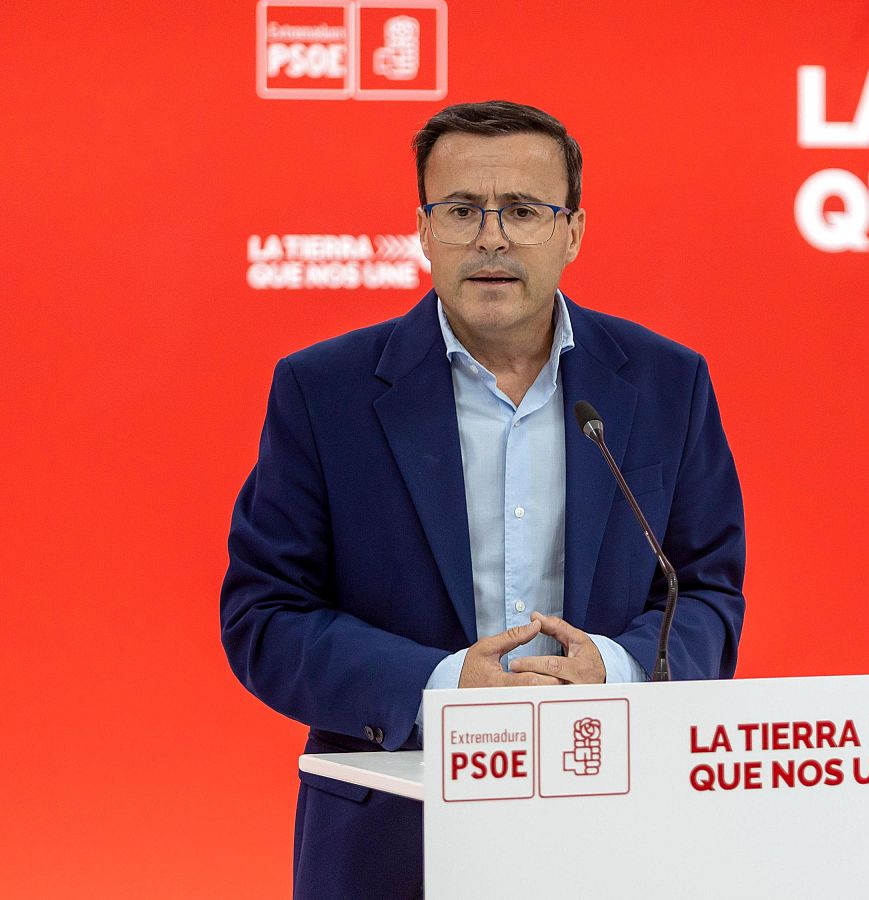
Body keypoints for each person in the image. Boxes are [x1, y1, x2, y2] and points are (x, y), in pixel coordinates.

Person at [221, 100, 746, 899]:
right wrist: (441, 687)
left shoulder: (667, 383)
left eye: (524, 211)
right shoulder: (323, 392)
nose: (491, 238)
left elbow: (705, 589)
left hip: (615, 825)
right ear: (423, 230)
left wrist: (618, 669)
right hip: (393, 838)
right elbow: (265, 616)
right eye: (462, 210)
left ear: (573, 232)